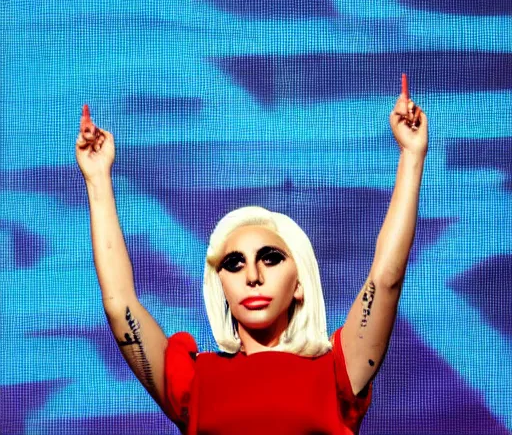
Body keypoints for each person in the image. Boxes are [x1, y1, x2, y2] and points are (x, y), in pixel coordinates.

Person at [76, 75, 428, 434]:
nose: (253, 275)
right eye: (234, 263)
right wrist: (97, 179)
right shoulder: (194, 379)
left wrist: (412, 156)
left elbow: (385, 279)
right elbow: (119, 303)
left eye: (271, 257)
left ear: (300, 284)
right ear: (221, 287)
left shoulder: (337, 370)